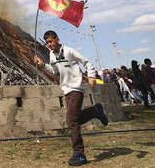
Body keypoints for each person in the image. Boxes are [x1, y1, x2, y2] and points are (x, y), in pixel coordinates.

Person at [34, 30, 107, 167]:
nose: (49, 45)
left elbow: (87, 62)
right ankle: (95, 111)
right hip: (66, 90)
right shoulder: (52, 54)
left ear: (57, 39)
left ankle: (79, 154)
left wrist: (91, 76)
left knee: (71, 122)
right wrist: (43, 65)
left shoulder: (69, 51)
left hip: (76, 89)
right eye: (47, 42)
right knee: (75, 120)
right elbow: (55, 72)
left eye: (51, 41)